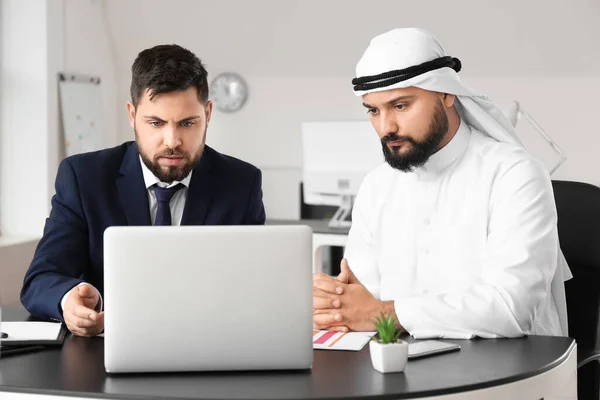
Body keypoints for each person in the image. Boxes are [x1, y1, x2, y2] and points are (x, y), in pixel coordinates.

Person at [312, 28, 571, 339]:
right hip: (401, 366)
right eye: (374, 111)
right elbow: (360, 301)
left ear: (447, 93)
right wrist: (332, 302)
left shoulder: (515, 174)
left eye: (400, 106)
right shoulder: (376, 187)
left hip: (510, 372)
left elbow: (510, 309)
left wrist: (378, 313)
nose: (386, 127)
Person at [21, 44, 266, 336]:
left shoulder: (242, 183)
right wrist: (68, 299)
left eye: (187, 123)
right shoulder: (83, 178)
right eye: (156, 123)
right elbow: (40, 279)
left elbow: (259, 285)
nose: (172, 140)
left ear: (208, 114)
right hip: (109, 356)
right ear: (131, 114)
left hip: (209, 345)